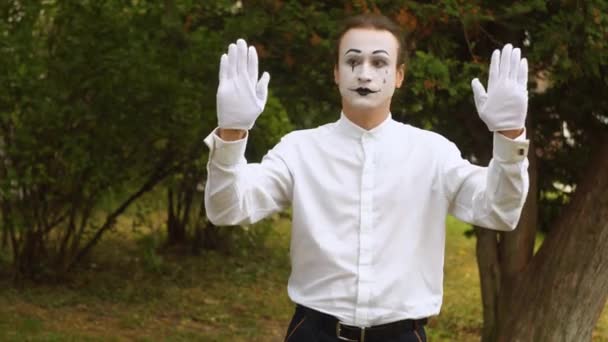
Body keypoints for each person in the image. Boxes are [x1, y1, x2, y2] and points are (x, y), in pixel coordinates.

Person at [204, 13, 529, 342]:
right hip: (314, 333)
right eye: (353, 61)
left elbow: (500, 210)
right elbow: (227, 208)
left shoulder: (434, 154)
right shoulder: (299, 150)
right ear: (336, 73)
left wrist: (509, 134)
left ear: (399, 76)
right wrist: (232, 131)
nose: (364, 73)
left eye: (379, 62)